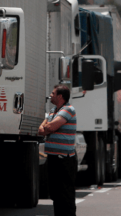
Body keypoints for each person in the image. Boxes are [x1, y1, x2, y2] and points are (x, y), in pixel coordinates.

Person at [39, 85, 77, 216]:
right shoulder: (53, 111)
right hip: (53, 157)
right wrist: (47, 127)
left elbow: (51, 126)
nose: (50, 95)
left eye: (53, 93)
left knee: (65, 193)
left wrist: (48, 127)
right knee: (55, 193)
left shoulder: (68, 110)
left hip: (64, 158)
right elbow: (41, 129)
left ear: (60, 96)